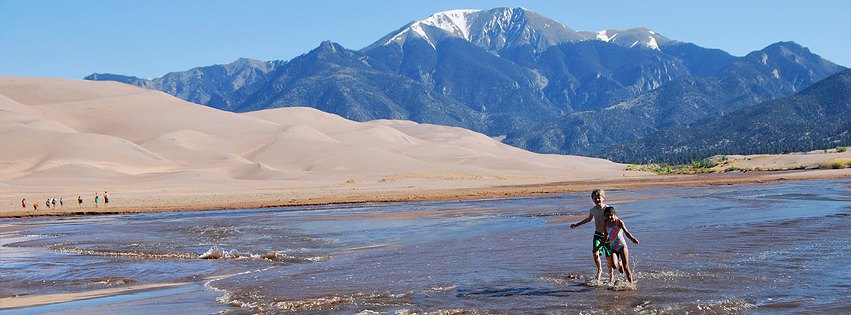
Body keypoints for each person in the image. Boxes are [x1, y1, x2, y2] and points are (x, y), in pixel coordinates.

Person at [570, 188, 611, 282]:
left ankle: (611, 273)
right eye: (595, 198)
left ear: (603, 197)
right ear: (592, 199)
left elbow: (614, 220)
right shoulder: (593, 210)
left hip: (607, 236)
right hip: (597, 235)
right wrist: (577, 224)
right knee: (595, 254)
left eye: (599, 198)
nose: (597, 200)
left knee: (608, 256)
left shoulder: (607, 208)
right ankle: (599, 269)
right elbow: (588, 219)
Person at [593, 206, 640, 283]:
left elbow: (626, 232)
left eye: (611, 215)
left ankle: (631, 284)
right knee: (614, 265)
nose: (609, 217)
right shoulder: (606, 225)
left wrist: (632, 239)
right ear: (605, 216)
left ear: (615, 214)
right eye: (607, 216)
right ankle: (619, 263)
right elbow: (605, 238)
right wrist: (598, 247)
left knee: (626, 267)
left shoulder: (619, 222)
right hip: (613, 248)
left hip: (622, 246)